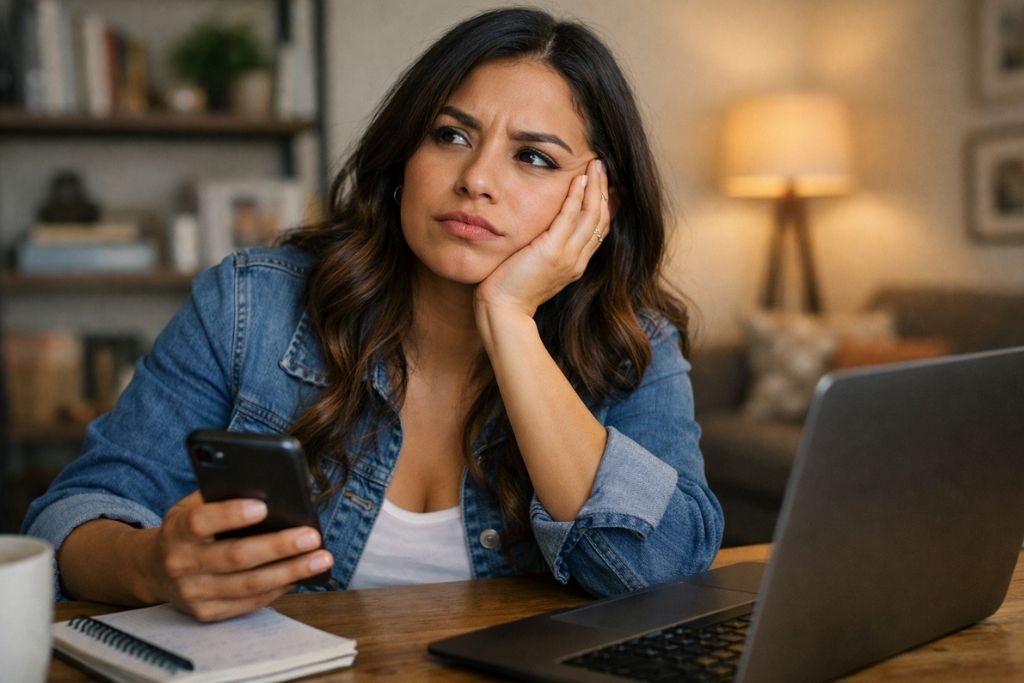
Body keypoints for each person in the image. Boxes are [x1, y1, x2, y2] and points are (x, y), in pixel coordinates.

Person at [23, 7, 723, 622]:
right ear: (403, 156)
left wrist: (509, 318)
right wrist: (150, 564)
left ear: (597, 205)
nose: (476, 178)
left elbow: (663, 573)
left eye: (533, 157)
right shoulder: (249, 305)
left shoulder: (633, 341)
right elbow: (70, 518)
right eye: (451, 135)